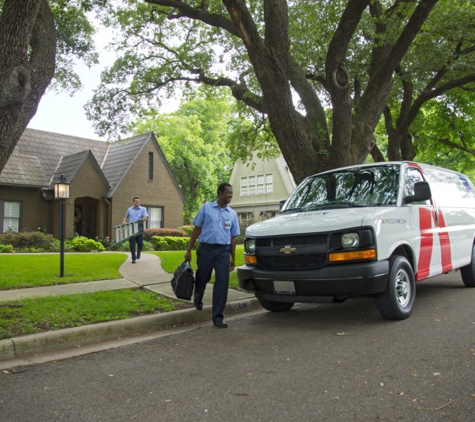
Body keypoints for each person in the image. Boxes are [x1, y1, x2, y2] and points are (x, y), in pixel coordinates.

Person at [185, 183, 240, 328]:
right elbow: (197, 229)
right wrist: (189, 249)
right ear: (220, 193)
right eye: (228, 192)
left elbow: (233, 237)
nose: (230, 195)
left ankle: (217, 317)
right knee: (202, 277)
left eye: (231, 193)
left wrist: (233, 258)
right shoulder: (206, 208)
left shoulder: (232, 214)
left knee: (222, 282)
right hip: (206, 250)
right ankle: (198, 295)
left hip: (223, 251)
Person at [122, 197, 149, 264]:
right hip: (132, 229)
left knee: (140, 243)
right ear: (133, 202)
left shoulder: (143, 209)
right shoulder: (129, 209)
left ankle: (138, 253)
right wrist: (124, 221)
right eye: (136, 201)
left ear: (139, 202)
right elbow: (126, 216)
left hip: (139, 228)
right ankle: (133, 258)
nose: (137, 202)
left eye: (138, 201)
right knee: (132, 244)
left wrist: (139, 221)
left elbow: (146, 218)